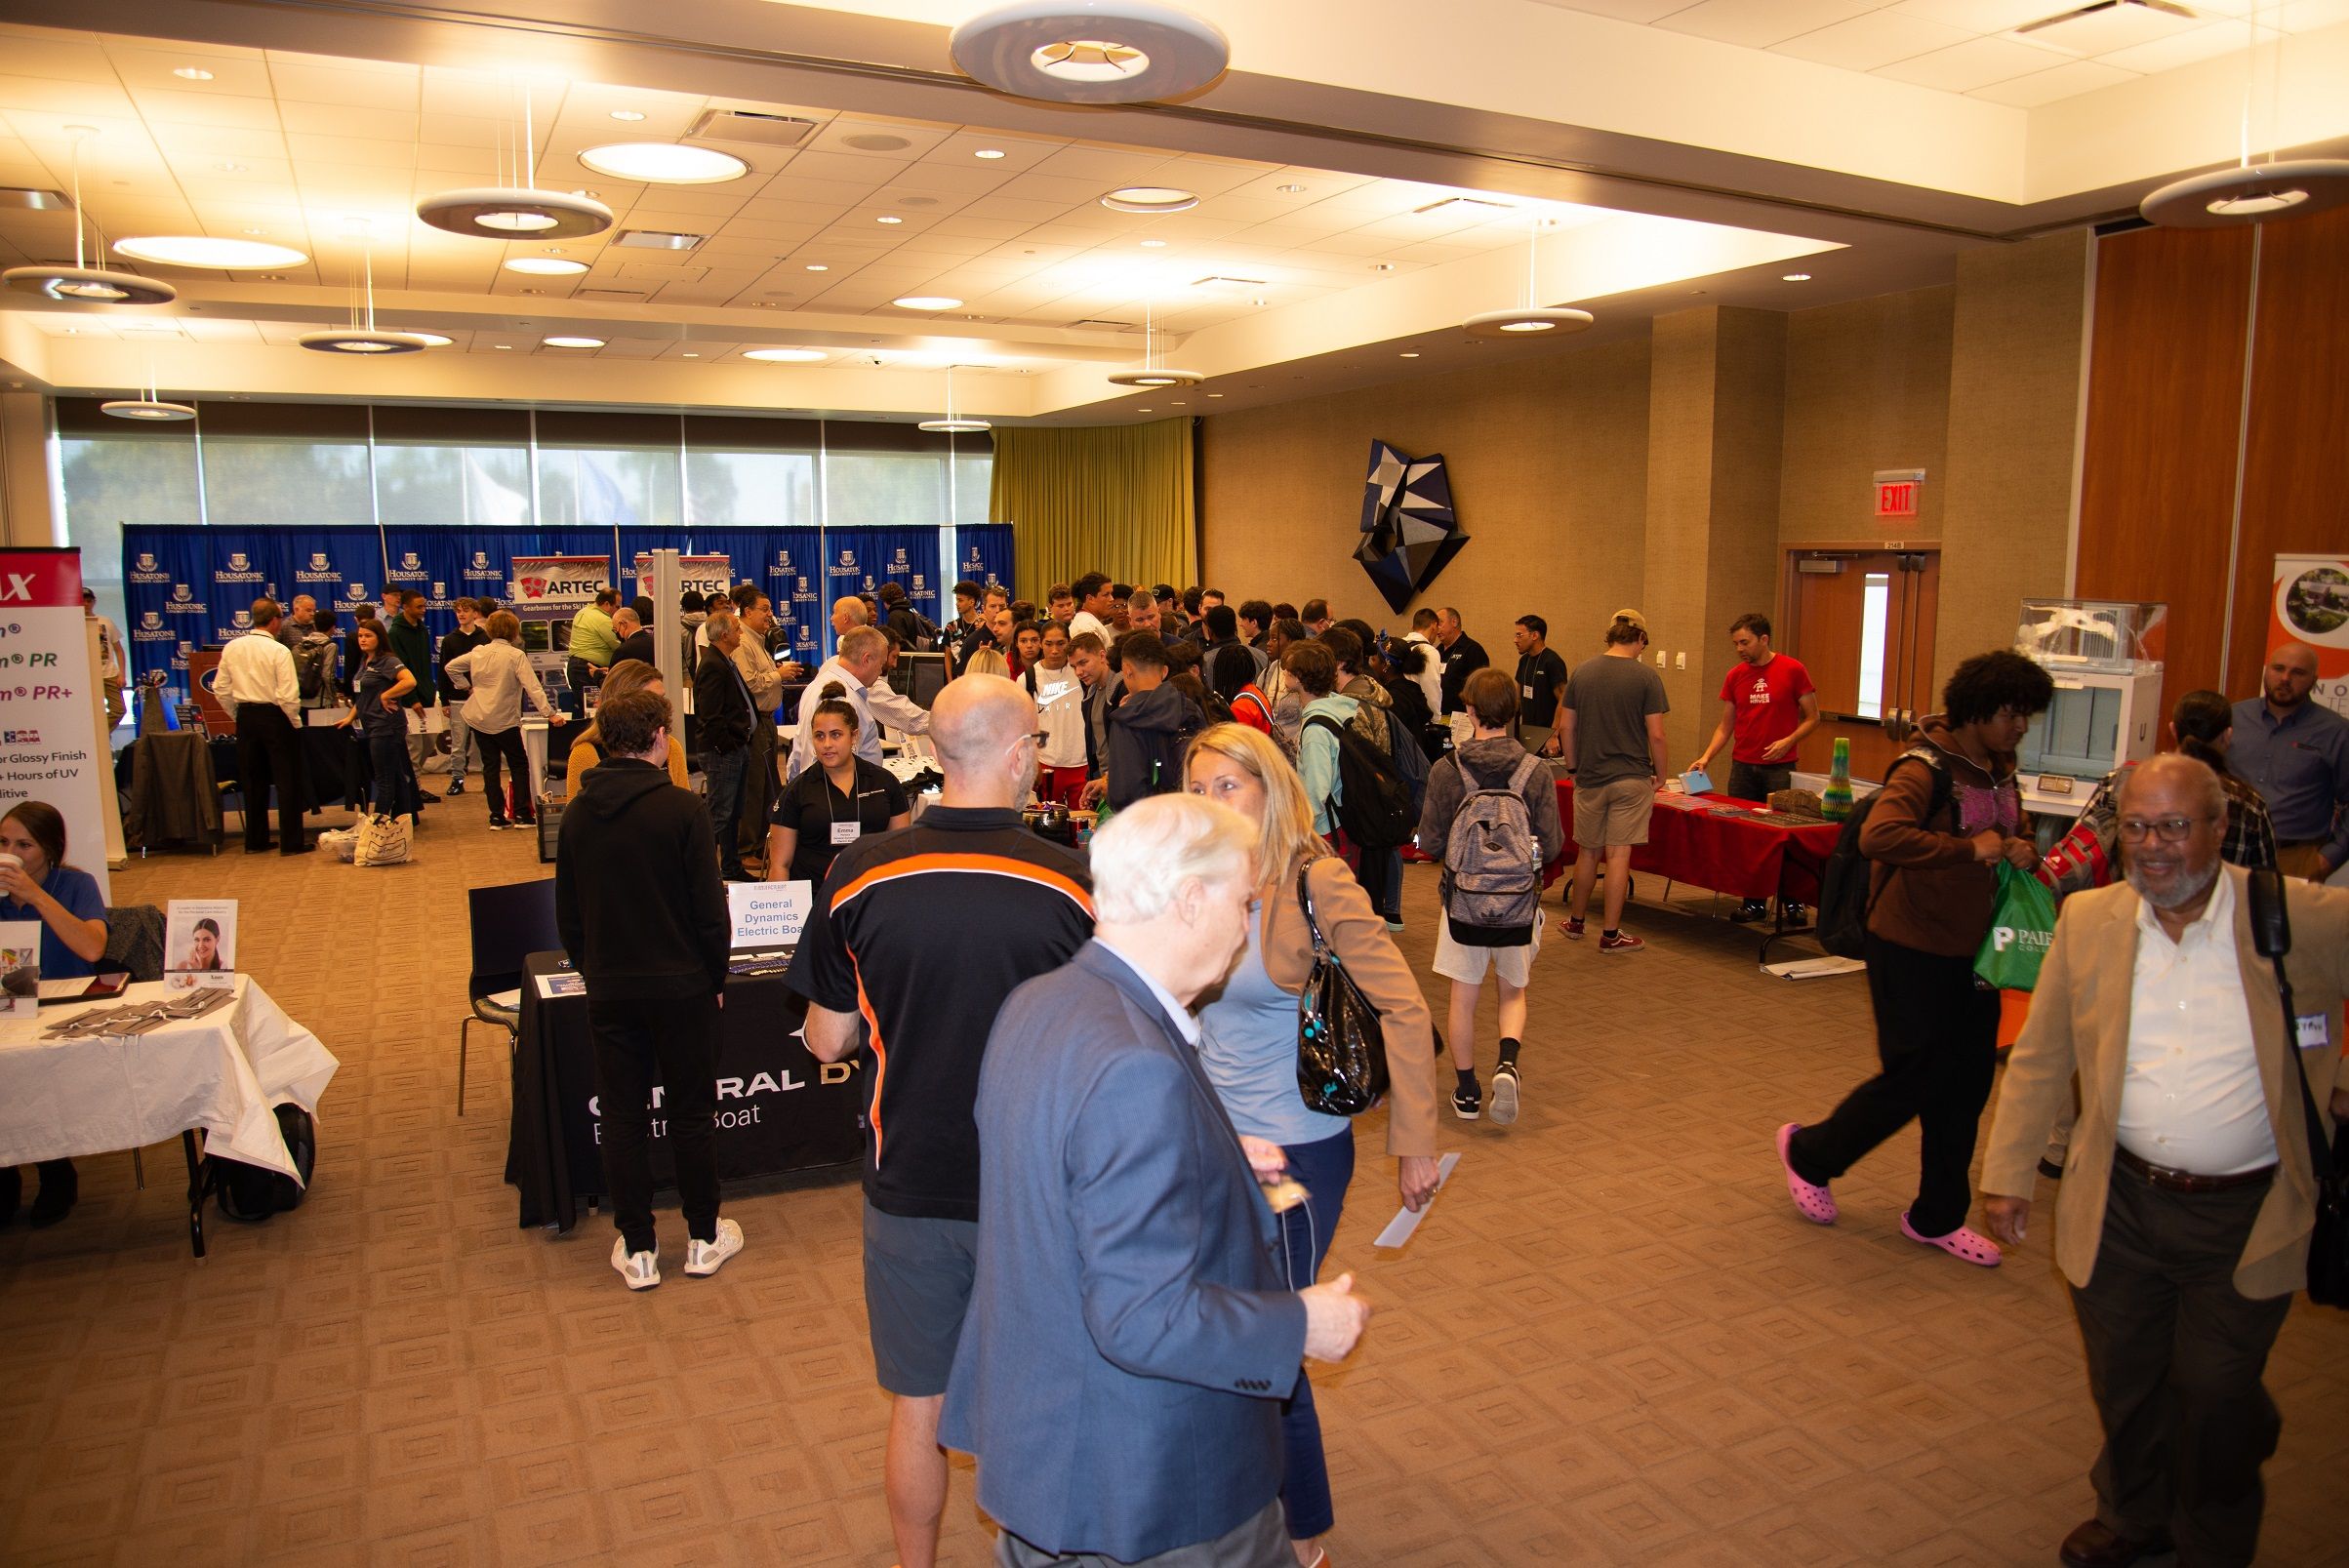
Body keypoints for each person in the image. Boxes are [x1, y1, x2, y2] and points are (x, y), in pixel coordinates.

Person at [939, 792, 1370, 1568]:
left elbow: (1063, 1173)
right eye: (1242, 902)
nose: (1246, 927)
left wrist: (1206, 1148)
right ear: (1189, 898)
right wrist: (1302, 1324)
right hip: (1147, 1486)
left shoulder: (1039, 1001)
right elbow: (1141, 1316)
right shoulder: (1135, 1066)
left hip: (1047, 1444)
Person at [1979, 755, 2349, 1568]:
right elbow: (2042, 1053)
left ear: (2220, 831)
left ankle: (2210, 1541)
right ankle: (2132, 1512)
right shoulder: (2092, 920)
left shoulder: (2298, 917)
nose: (2152, 846)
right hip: (2117, 1200)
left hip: (2246, 1215)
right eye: (2137, 826)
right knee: (2126, 1377)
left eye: (2174, 825)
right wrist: (2006, 1172)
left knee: (2216, 1394)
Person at [787, 674, 1095, 1568]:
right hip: (1036, 1188)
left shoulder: (857, 874)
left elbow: (826, 1038)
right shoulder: (1071, 885)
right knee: (1035, 1395)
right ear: (1012, 754)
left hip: (908, 1180)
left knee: (918, 1402)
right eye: (1033, 741)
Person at [1185, 725, 1435, 1562]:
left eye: (1229, 786)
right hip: (1209, 1145)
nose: (1213, 802)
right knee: (1209, 1329)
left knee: (1271, 1341)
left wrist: (1416, 1143)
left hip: (1299, 1148)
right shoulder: (1195, 880)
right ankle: (1224, 1498)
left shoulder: (1315, 879)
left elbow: (1404, 1008)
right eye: (1199, 788)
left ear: (1269, 790)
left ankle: (1304, 1533)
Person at [1776, 650, 2052, 1267]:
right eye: (2012, 714)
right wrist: (1967, 849)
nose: (2020, 727)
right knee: (1915, 1076)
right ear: (1978, 708)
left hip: (1978, 954)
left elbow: (2006, 829)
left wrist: (2018, 848)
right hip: (1910, 945)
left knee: (1968, 1084)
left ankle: (1936, 1217)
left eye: (2026, 716)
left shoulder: (1999, 767)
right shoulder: (1925, 767)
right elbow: (1880, 836)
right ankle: (1810, 1154)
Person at [554, 686, 740, 1291]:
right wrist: (714, 977)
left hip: (610, 988)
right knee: (691, 1114)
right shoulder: (683, 810)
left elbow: (569, 913)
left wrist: (594, 969)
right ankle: (703, 1238)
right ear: (661, 738)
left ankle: (637, 1247)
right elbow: (710, 913)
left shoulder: (578, 812)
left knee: (624, 1116)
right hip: (684, 987)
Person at [1415, 668, 1564, 1123]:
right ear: (1514, 712)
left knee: (1463, 996)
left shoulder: (1447, 768)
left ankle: (1465, 1091)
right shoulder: (1535, 771)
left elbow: (1432, 842)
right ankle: (1506, 1062)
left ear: (1471, 710)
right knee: (1513, 992)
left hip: (1462, 902)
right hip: (1519, 903)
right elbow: (1553, 843)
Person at [0, 801, 108, 1229]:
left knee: (36, 1070)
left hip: (66, 1008)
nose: (13, 852)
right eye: (4, 842)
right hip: (10, 1004)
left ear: (49, 849)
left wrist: (34, 896)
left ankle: (54, 1169)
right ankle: (6, 1172)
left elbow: (91, 949)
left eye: (24, 844)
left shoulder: (75, 885)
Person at [1688, 613, 1821, 922]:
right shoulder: (1736, 675)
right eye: (1736, 643)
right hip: (1743, 768)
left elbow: (1814, 717)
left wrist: (1788, 741)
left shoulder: (1793, 669)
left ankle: (1793, 901)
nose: (1739, 649)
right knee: (1748, 837)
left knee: (1784, 836)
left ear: (1764, 639)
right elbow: (1725, 726)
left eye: (1744, 642)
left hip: (1780, 767)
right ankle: (1754, 901)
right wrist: (1706, 756)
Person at [1560, 610, 1668, 952]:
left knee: (1588, 852)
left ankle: (1576, 923)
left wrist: (1574, 768)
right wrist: (1662, 774)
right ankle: (1610, 934)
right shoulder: (1646, 678)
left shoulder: (1582, 672)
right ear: (1638, 639)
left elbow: (1566, 727)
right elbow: (1657, 735)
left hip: (1590, 777)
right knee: (1619, 855)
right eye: (1642, 645)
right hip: (1632, 778)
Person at [767, 683, 911, 887]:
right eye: (819, 736)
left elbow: (900, 854)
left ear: (854, 736)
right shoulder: (797, 791)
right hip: (815, 900)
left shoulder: (884, 783)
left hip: (869, 896)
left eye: (836, 735)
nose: (827, 744)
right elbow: (780, 865)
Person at [2228, 642, 2347, 880]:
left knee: (2292, 919)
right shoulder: (2232, 717)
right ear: (2266, 671)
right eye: (2278, 668)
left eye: (2298, 672)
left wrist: (2328, 859)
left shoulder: (2336, 731)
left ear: (2314, 680)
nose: (2285, 678)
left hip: (2296, 859)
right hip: (2231, 854)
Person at [213, 596, 309, 856]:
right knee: (286, 780)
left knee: (252, 779)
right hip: (276, 716)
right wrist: (294, 723)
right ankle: (291, 843)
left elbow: (220, 688)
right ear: (276, 621)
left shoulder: (232, 647)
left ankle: (255, 841)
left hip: (246, 716)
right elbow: (289, 694)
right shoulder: (278, 650)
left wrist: (238, 714)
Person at [444, 610, 553, 830]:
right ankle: (522, 815)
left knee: (490, 766)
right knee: (519, 765)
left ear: (489, 630)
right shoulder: (515, 655)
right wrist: (549, 713)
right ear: (514, 632)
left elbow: (450, 667)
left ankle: (495, 817)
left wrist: (465, 687)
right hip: (505, 719)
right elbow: (533, 686)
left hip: (479, 717)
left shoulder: (478, 652)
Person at [786, 625, 931, 781]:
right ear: (866, 659)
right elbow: (837, 763)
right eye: (880, 665)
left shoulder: (818, 683)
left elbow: (798, 750)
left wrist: (795, 790)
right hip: (841, 795)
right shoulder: (844, 698)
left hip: (822, 791)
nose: (881, 671)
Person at [1098, 633, 1203, 811]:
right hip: (1189, 815)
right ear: (1164, 671)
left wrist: (1109, 790)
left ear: (1127, 669)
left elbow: (1125, 793)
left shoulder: (1126, 720)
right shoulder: (1190, 708)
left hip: (1146, 824)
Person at [693, 606, 756, 881]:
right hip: (724, 752)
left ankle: (730, 868)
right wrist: (728, 745)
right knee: (721, 814)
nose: (741, 632)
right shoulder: (712, 666)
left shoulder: (724, 661)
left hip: (735, 748)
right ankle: (706, 874)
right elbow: (710, 715)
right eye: (737, 628)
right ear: (724, 634)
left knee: (732, 814)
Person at [566, 660, 687, 796]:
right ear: (622, 705)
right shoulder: (586, 753)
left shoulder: (671, 747)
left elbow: (684, 805)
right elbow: (579, 813)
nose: (662, 708)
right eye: (652, 701)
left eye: (662, 699)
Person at [341, 617, 420, 821]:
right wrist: (350, 717)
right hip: (372, 726)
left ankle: (377, 824)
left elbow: (410, 681)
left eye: (368, 636)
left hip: (386, 726)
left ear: (379, 638)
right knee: (396, 776)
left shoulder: (388, 660)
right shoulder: (364, 661)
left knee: (385, 779)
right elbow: (364, 695)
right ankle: (405, 821)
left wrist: (386, 695)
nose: (363, 640)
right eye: (360, 636)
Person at [731, 592, 789, 869]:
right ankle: (745, 850)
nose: (770, 614)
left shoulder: (758, 641)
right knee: (754, 786)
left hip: (766, 721)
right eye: (764, 609)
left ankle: (759, 844)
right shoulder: (742, 641)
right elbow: (750, 683)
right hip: (754, 722)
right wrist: (780, 675)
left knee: (768, 786)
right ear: (746, 612)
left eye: (770, 609)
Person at [1025, 623, 1089, 806]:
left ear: (1068, 643)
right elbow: (1022, 724)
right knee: (1047, 824)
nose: (1055, 650)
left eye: (1061, 643)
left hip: (1082, 763)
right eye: (1049, 643)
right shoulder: (1028, 678)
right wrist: (1033, 760)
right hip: (1046, 763)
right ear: (1040, 644)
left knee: (1082, 824)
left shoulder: (1081, 673)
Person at [432, 599, 487, 795]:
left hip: (481, 699)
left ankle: (487, 779)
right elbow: (443, 671)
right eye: (458, 611)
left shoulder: (485, 638)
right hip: (457, 699)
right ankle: (457, 779)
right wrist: (445, 700)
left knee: (483, 742)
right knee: (458, 743)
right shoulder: (449, 640)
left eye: (466, 610)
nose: (462, 614)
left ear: (475, 613)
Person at [385, 590, 439, 782]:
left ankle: (413, 785)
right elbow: (400, 670)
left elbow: (424, 665)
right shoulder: (396, 633)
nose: (423, 610)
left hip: (427, 696)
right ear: (405, 607)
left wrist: (429, 692)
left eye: (424, 605)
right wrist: (412, 699)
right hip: (410, 700)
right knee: (414, 747)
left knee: (428, 743)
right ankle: (412, 789)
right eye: (418, 607)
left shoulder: (422, 630)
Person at [1511, 614, 1568, 751]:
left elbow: (1564, 699)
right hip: (1527, 733)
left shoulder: (1552, 661)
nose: (1515, 640)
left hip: (1548, 737)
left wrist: (1553, 735)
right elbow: (1517, 699)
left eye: (1519, 635)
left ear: (1534, 636)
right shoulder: (1524, 660)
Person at [82, 587, 126, 734]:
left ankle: (97, 735)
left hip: (109, 673)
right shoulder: (73, 623)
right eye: (83, 601)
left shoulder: (105, 621)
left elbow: (119, 649)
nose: (86, 604)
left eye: (89, 601)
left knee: (119, 710)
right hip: (87, 675)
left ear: (94, 602)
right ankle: (93, 738)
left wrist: (122, 674)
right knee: (91, 712)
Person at [1434, 606, 1489, 716]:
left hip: (1463, 718)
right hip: (1439, 716)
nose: (1437, 628)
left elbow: (1480, 688)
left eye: (1440, 623)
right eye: (1435, 625)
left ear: (1454, 622)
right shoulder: (1436, 651)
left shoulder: (1472, 649)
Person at [566, 586, 620, 694]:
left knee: (585, 708)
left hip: (575, 667)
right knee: (596, 708)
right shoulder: (602, 619)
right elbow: (617, 646)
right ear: (607, 604)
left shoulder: (582, 612)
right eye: (617, 606)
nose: (618, 610)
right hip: (589, 669)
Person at [1066, 572, 1114, 643]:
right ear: (1090, 599)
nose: (1112, 599)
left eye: (1111, 594)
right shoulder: (1086, 627)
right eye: (1106, 595)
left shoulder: (1089, 623)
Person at [606, 604, 655, 670]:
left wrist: (598, 674)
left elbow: (614, 679)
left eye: (615, 629)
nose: (616, 632)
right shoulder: (654, 642)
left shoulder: (623, 651)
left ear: (623, 625)